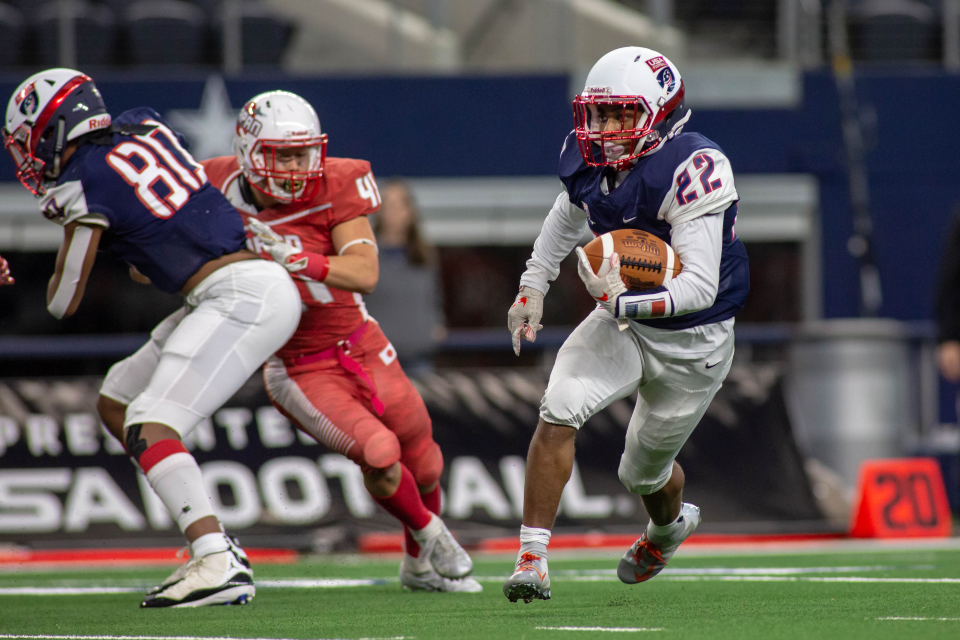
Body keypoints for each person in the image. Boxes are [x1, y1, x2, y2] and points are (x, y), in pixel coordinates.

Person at [4, 68, 302, 608]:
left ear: (53, 130)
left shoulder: (83, 181)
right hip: (229, 285)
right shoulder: (144, 126)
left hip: (239, 292)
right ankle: (208, 542)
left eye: (29, 142)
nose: (28, 156)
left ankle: (216, 557)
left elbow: (62, 301)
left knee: (151, 421)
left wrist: (64, 236)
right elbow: (166, 228)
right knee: (118, 399)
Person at [200, 90, 480, 593]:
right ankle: (432, 532)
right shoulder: (210, 185)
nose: (294, 166)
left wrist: (297, 259)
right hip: (299, 365)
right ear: (247, 152)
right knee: (378, 451)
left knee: (427, 461)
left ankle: (418, 566)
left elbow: (365, 272)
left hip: (359, 339)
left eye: (302, 152)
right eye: (280, 154)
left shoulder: (336, 183)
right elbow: (149, 259)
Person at [502, 47, 749, 602]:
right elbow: (568, 211)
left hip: (696, 339)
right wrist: (533, 282)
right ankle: (531, 559)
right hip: (627, 321)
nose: (606, 128)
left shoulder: (695, 167)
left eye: (621, 115)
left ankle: (666, 529)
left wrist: (620, 305)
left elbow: (697, 288)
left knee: (640, 475)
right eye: (599, 114)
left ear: (661, 114)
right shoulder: (591, 159)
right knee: (558, 408)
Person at [365, 182, 446, 367]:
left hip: (419, 357)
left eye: (400, 204)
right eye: (388, 205)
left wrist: (436, 324)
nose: (393, 212)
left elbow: (434, 298)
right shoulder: (367, 255)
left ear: (411, 211)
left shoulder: (424, 256)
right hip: (378, 359)